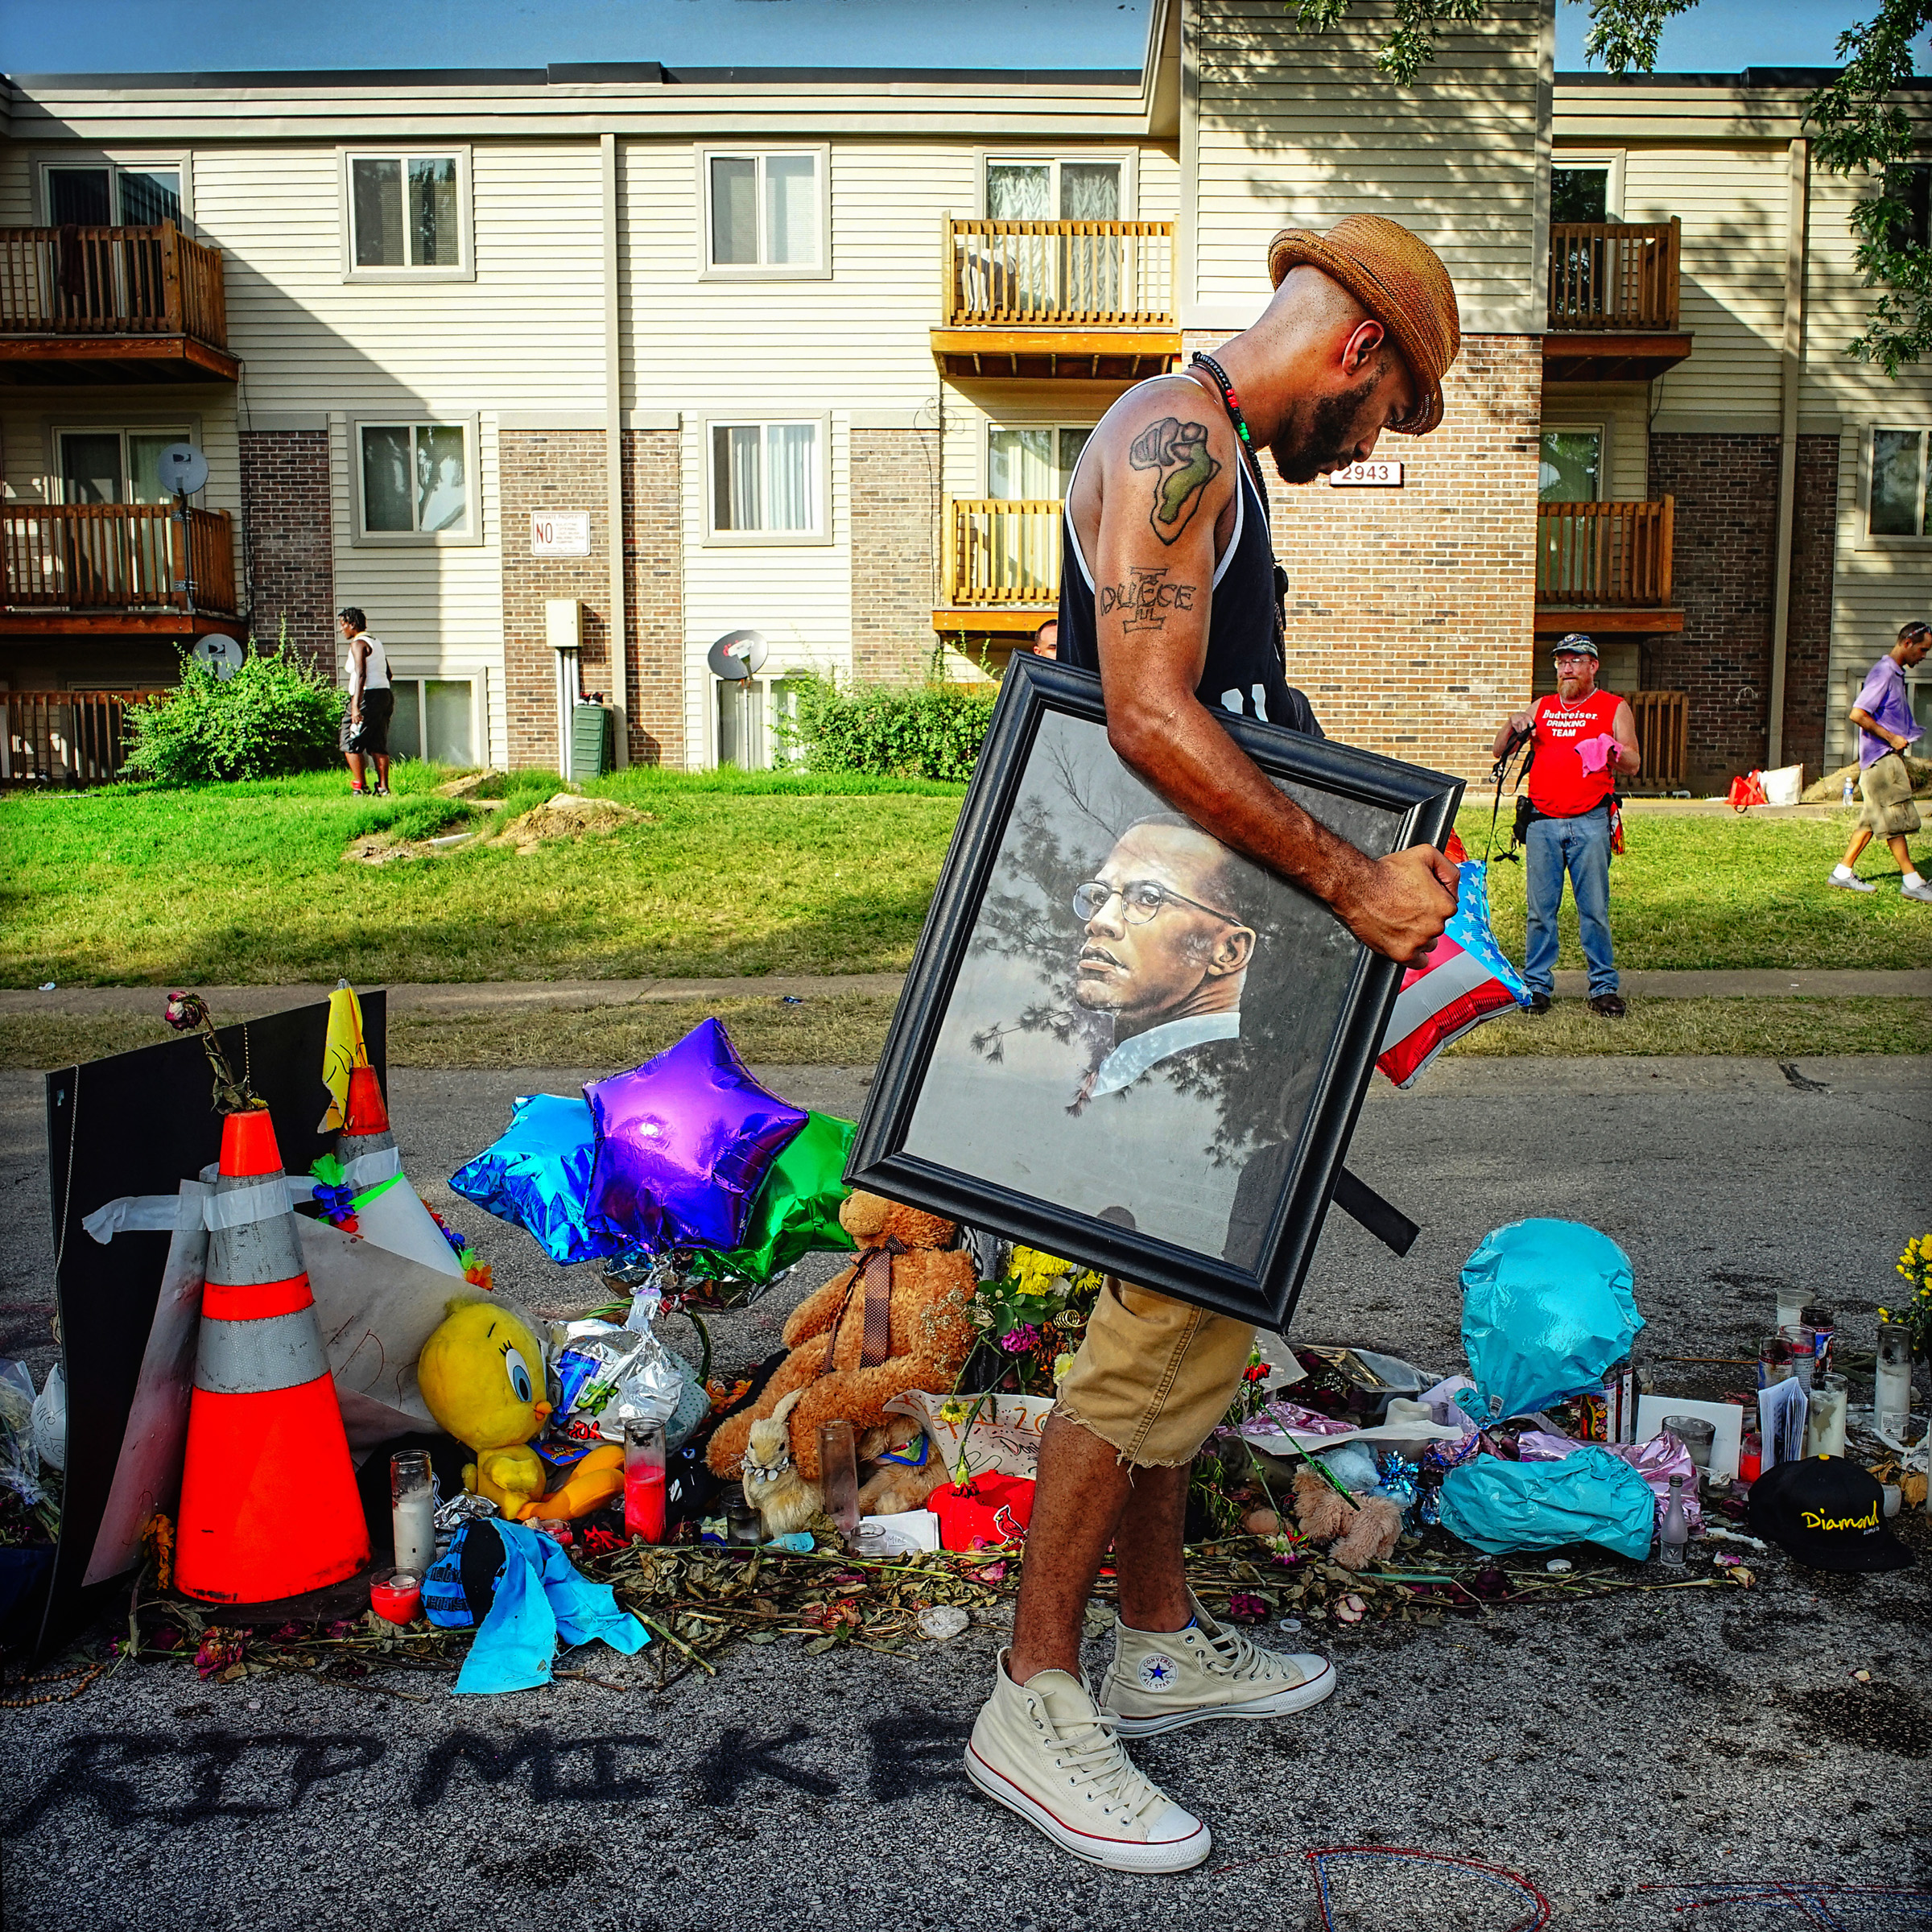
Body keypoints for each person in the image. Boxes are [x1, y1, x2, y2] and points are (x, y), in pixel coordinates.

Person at [964, 212, 1463, 1876]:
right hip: (1157, 934)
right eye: (1389, 414)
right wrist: (1350, 881)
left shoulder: (1208, 451)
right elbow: (1151, 710)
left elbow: (1214, 715)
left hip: (1197, 933)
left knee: (1191, 1294)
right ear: (1359, 352)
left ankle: (1159, 1634)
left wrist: (1356, 872)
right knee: (1167, 1311)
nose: (1375, 443)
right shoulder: (1179, 441)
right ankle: (1035, 1696)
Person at [1491, 634, 1641, 1019]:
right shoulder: (1542, 706)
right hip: (1542, 821)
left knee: (1594, 909)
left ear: (1594, 667)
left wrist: (1612, 750)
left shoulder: (1613, 707)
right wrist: (1514, 723)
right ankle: (1537, 985)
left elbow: (1634, 762)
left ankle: (1603, 988)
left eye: (1576, 661)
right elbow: (1497, 750)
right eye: (1561, 662)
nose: (1566, 668)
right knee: (1540, 911)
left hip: (1591, 820)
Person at [1828, 621, 1931, 903]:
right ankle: (1912, 881)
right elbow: (1858, 713)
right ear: (1907, 643)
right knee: (1894, 817)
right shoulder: (1884, 672)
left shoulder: (1895, 674)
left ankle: (1842, 872)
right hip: (1880, 759)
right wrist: (1891, 738)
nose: (1923, 657)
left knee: (1871, 821)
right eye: (1922, 650)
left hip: (1884, 758)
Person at [337, 606, 394, 797]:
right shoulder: (376, 642)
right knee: (378, 742)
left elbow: (361, 674)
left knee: (349, 740)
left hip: (366, 697)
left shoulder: (358, 644)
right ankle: (383, 788)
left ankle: (359, 786)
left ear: (352, 624)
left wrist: (355, 706)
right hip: (384, 695)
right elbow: (389, 674)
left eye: (343, 625)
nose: (342, 629)